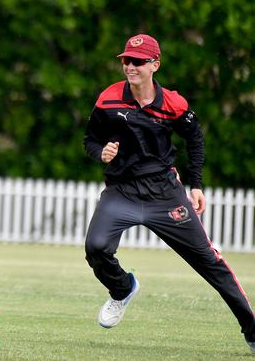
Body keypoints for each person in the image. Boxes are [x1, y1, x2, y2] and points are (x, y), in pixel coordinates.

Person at [83, 34, 255, 352]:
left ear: (154, 65)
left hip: (165, 194)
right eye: (126, 60)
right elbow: (90, 140)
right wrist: (101, 152)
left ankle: (252, 330)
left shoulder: (174, 103)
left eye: (137, 61)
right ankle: (122, 289)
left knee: (209, 261)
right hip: (121, 192)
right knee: (95, 247)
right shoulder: (108, 98)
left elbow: (195, 140)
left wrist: (197, 185)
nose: (129, 66)